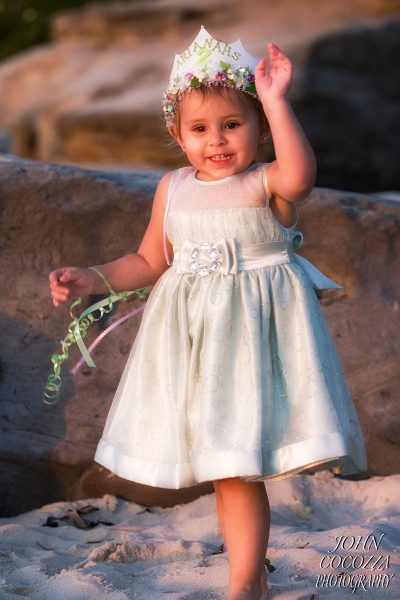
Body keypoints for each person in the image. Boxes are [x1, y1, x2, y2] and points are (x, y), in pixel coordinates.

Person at [49, 27, 368, 600]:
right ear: (177, 133)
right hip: (196, 346)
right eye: (199, 129)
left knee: (240, 463)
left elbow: (301, 177)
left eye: (232, 124)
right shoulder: (172, 189)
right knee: (226, 465)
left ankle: (245, 579)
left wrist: (274, 98)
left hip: (258, 339)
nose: (217, 140)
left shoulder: (266, 182)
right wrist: (90, 278)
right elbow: (148, 260)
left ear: (258, 129)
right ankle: (249, 577)